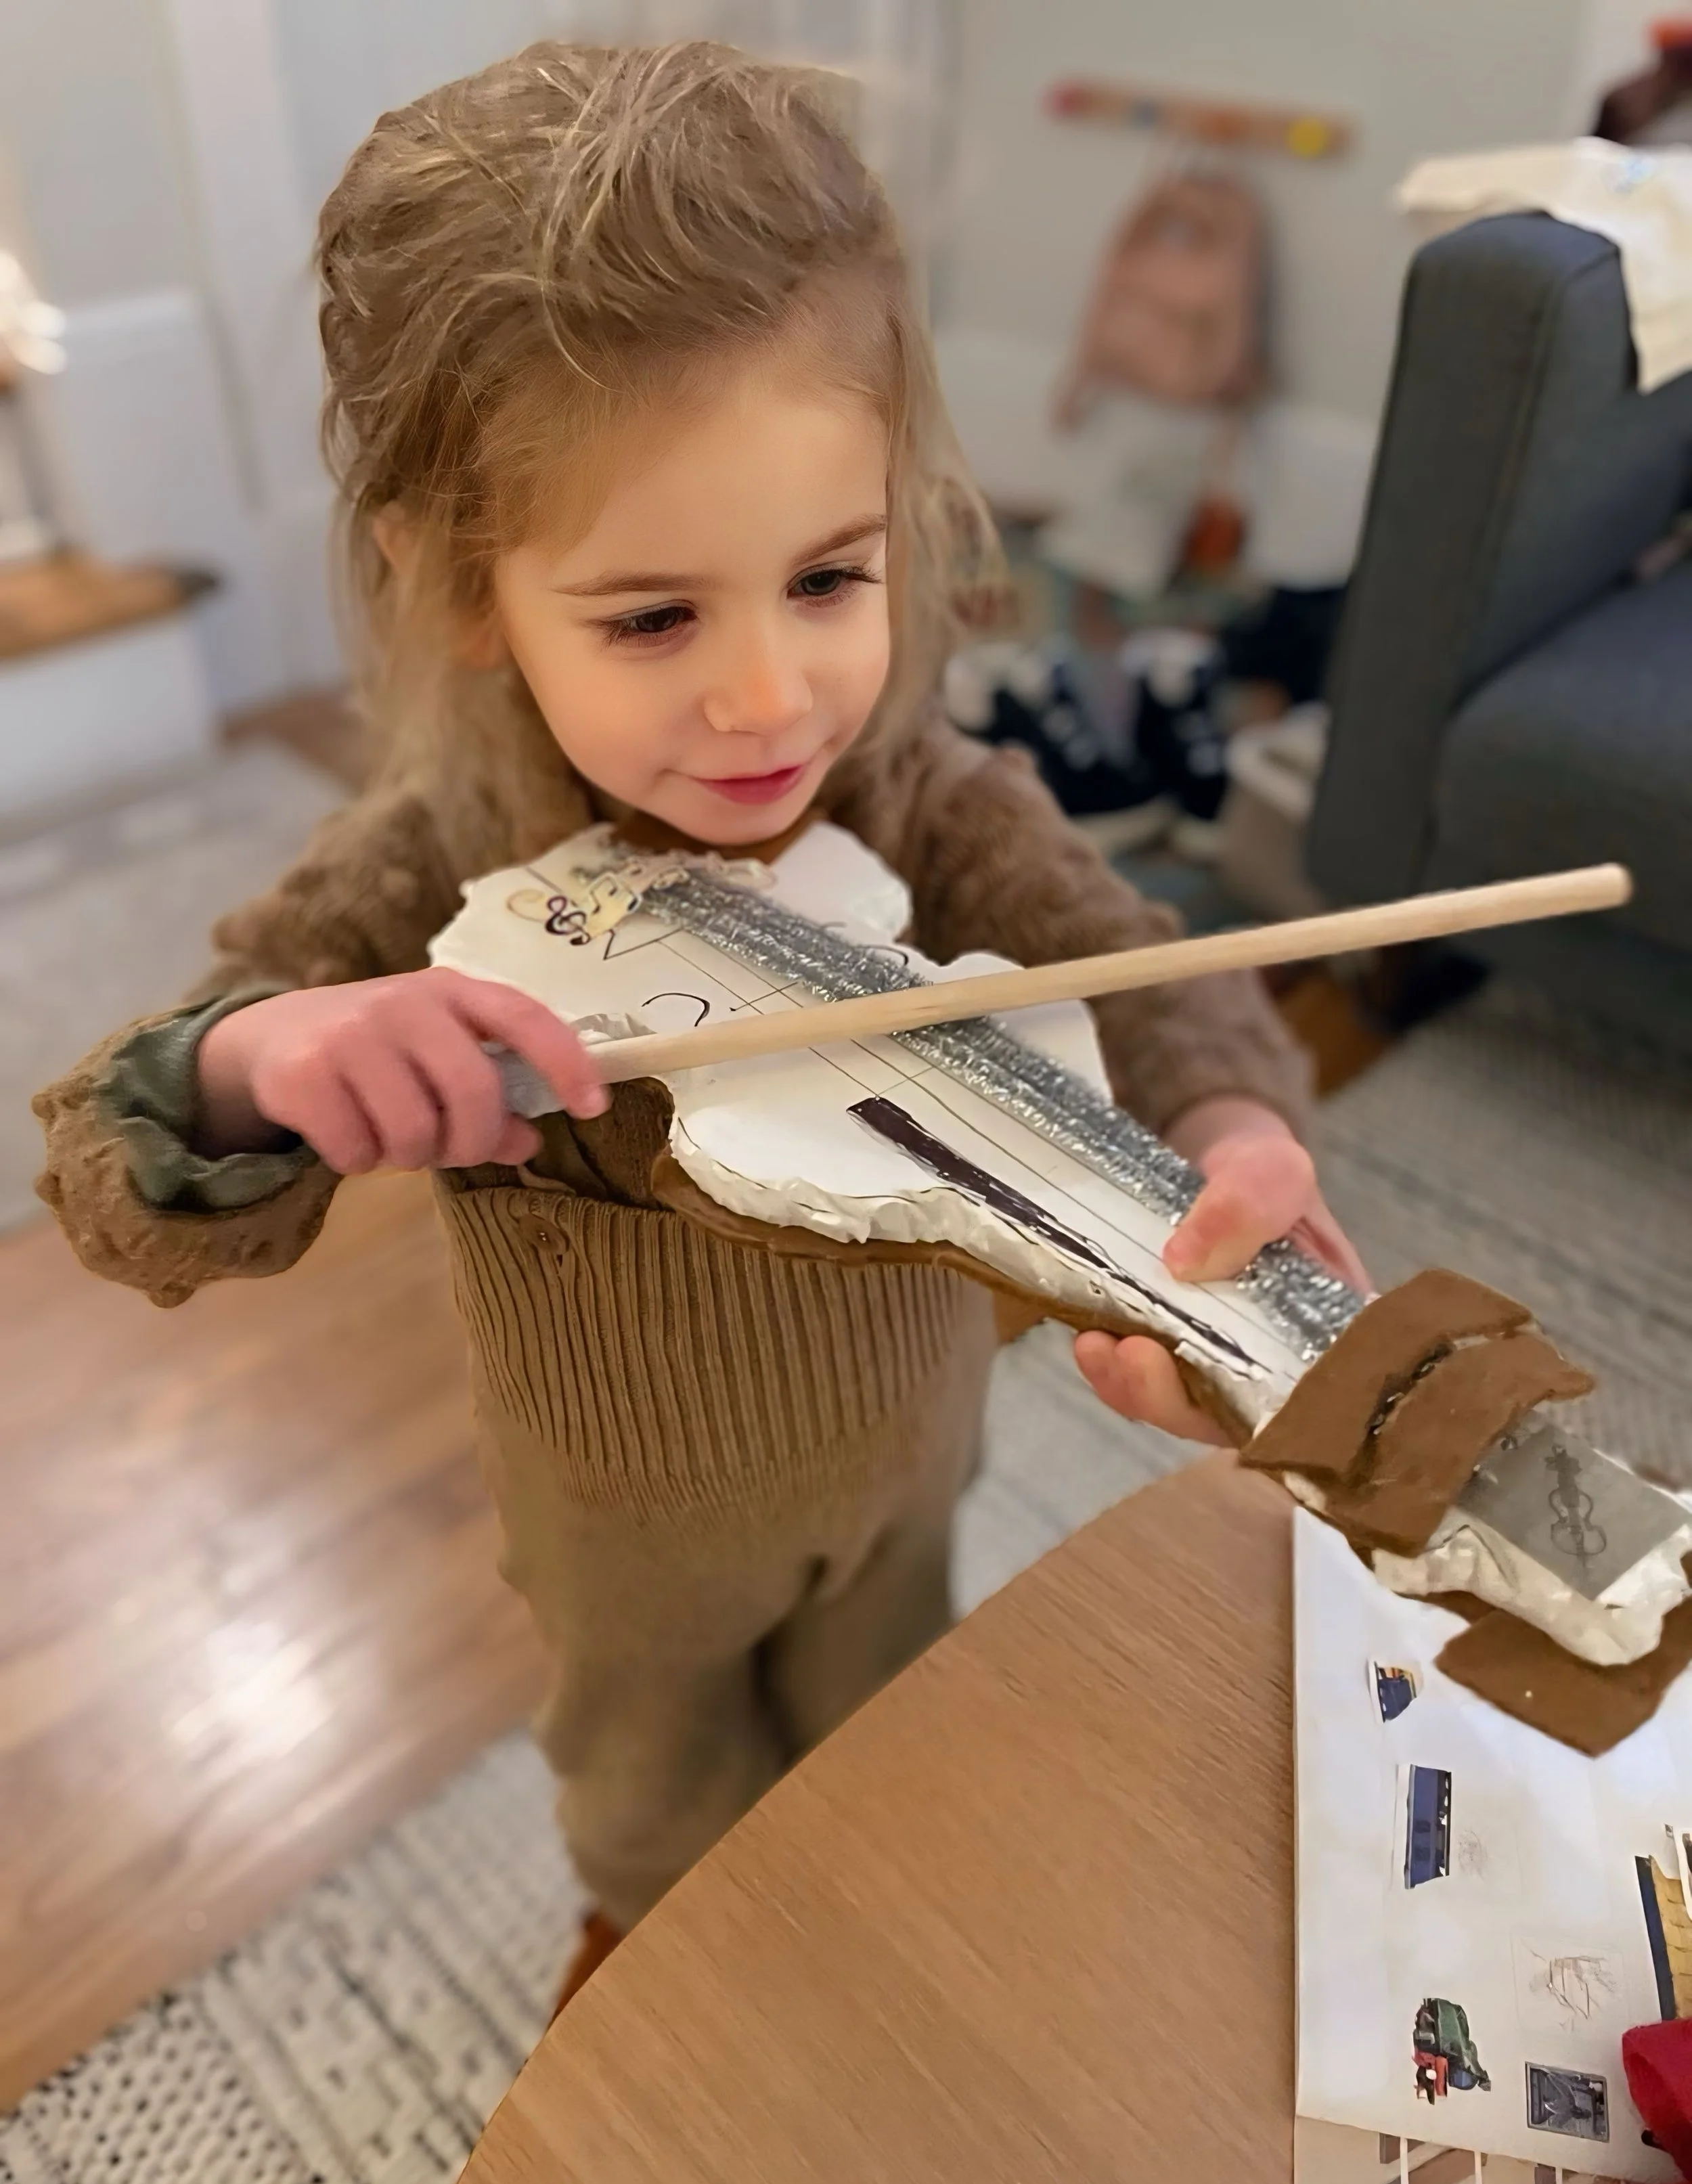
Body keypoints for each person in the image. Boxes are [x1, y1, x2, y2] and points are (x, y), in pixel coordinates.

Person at [33, 42, 1365, 2007]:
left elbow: (1150, 979)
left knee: (890, 1723)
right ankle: (649, 1930)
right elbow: (100, 1158)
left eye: (830, 574)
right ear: (460, 581)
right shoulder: (435, 859)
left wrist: (1239, 1138)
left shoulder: (921, 790)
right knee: (650, 1787)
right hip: (619, 1516)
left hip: (910, 1441)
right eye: (651, 617)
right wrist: (263, 1062)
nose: (769, 699)